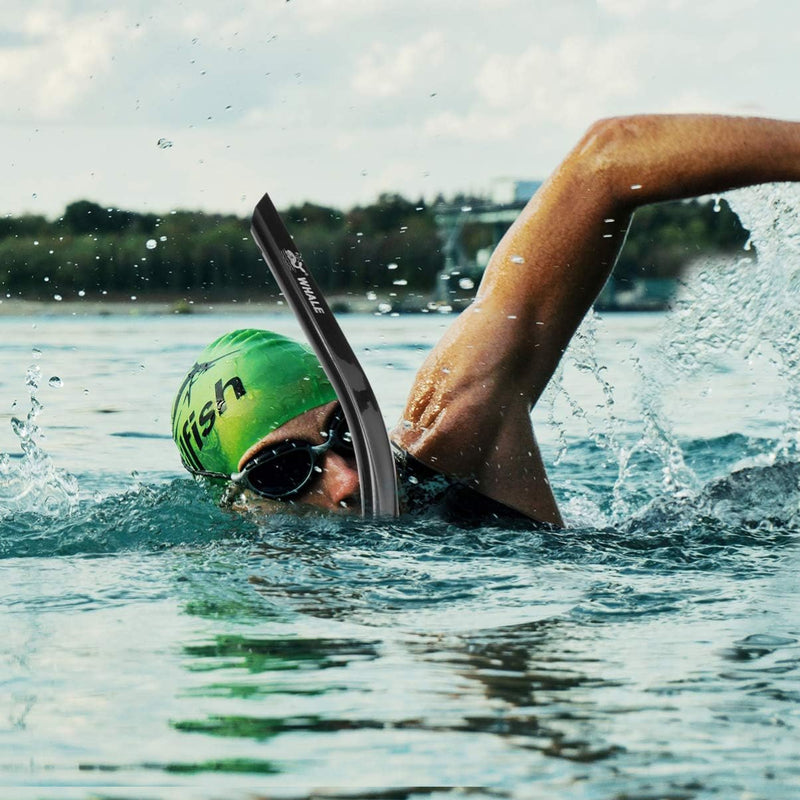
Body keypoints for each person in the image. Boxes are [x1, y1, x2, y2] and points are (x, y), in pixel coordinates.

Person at [172, 114, 800, 527]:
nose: (346, 479)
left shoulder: (453, 434)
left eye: (343, 430)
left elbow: (607, 161)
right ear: (238, 505)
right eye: (282, 471)